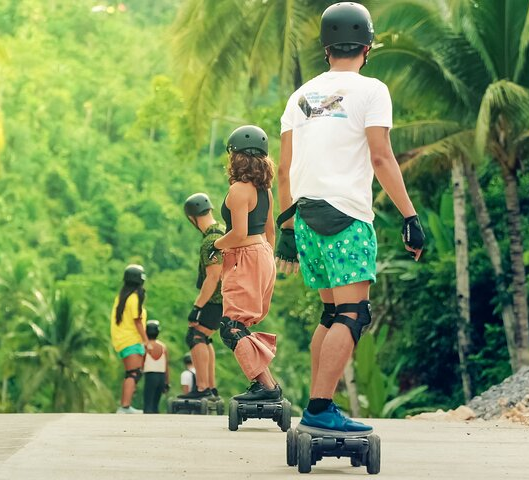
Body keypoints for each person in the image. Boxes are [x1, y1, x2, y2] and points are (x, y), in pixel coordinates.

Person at [276, 2, 425, 433]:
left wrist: (286, 229)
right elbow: (381, 156)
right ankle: (320, 409)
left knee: (330, 315)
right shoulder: (371, 90)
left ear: (326, 48)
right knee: (353, 314)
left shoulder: (299, 96)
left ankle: (318, 405)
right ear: (367, 46)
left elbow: (284, 170)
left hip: (304, 217)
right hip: (346, 216)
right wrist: (410, 216)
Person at [213, 125, 281, 402]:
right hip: (263, 254)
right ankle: (266, 383)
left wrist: (215, 246)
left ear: (235, 157)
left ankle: (267, 386)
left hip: (246, 256)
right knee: (239, 325)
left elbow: (239, 233)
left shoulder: (239, 190)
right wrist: (264, 262)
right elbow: (270, 232)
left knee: (230, 326)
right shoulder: (264, 191)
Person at [179, 193, 224, 399]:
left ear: (192, 218)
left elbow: (213, 277)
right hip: (225, 297)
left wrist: (197, 307)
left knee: (195, 335)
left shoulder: (210, 241)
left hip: (216, 299)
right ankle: (211, 388)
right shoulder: (223, 231)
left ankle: (203, 388)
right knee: (204, 337)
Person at [110, 264, 149, 414]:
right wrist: (146, 341)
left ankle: (126, 405)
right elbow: (137, 321)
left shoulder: (121, 297)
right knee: (133, 373)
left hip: (122, 340)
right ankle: (125, 406)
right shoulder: (134, 298)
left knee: (132, 373)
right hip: (131, 339)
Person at [143, 320, 170, 414]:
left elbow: (142, 362)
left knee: (148, 403)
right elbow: (166, 365)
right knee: (155, 404)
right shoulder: (163, 346)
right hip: (161, 376)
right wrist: (167, 381)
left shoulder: (145, 346)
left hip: (150, 375)